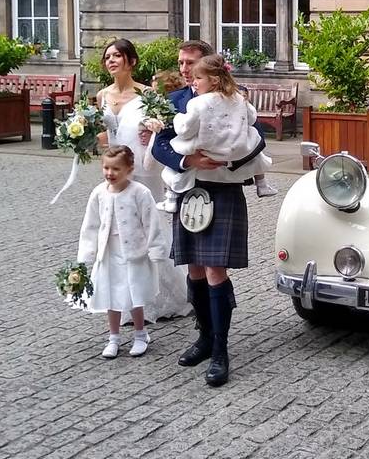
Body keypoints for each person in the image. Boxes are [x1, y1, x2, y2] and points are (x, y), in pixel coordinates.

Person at [150, 40, 264, 387]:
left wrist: (228, 161)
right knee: (195, 268)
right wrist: (188, 160)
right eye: (181, 63)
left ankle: (220, 349)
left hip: (223, 188)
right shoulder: (174, 101)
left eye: (190, 63)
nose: (184, 69)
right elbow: (160, 144)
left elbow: (258, 141)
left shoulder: (234, 96)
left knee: (215, 269)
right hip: (189, 188)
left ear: (211, 68)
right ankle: (202, 337)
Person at [96, 38, 191, 324]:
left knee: (150, 229)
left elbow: (159, 132)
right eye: (108, 57)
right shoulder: (101, 96)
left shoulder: (148, 94)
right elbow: (104, 136)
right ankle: (127, 298)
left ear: (131, 61)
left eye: (117, 56)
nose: (111, 61)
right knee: (119, 233)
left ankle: (164, 294)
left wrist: (151, 132)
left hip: (143, 168)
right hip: (115, 171)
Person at [77, 146, 170, 358]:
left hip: (134, 252)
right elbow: (91, 224)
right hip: (108, 252)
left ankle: (140, 333)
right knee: (111, 293)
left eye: (116, 169)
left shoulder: (140, 192)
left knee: (133, 292)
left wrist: (156, 250)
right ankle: (114, 337)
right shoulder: (99, 193)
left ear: (129, 169)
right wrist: (86, 254)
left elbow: (151, 223)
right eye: (106, 168)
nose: (110, 173)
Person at [157, 54, 275, 213]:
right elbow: (252, 118)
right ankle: (261, 183)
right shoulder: (238, 97)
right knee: (253, 141)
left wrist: (177, 118)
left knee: (177, 145)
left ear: (214, 80)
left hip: (215, 163)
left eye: (198, 77)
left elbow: (185, 130)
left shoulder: (197, 103)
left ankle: (171, 198)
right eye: (181, 63)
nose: (194, 81)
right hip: (233, 150)